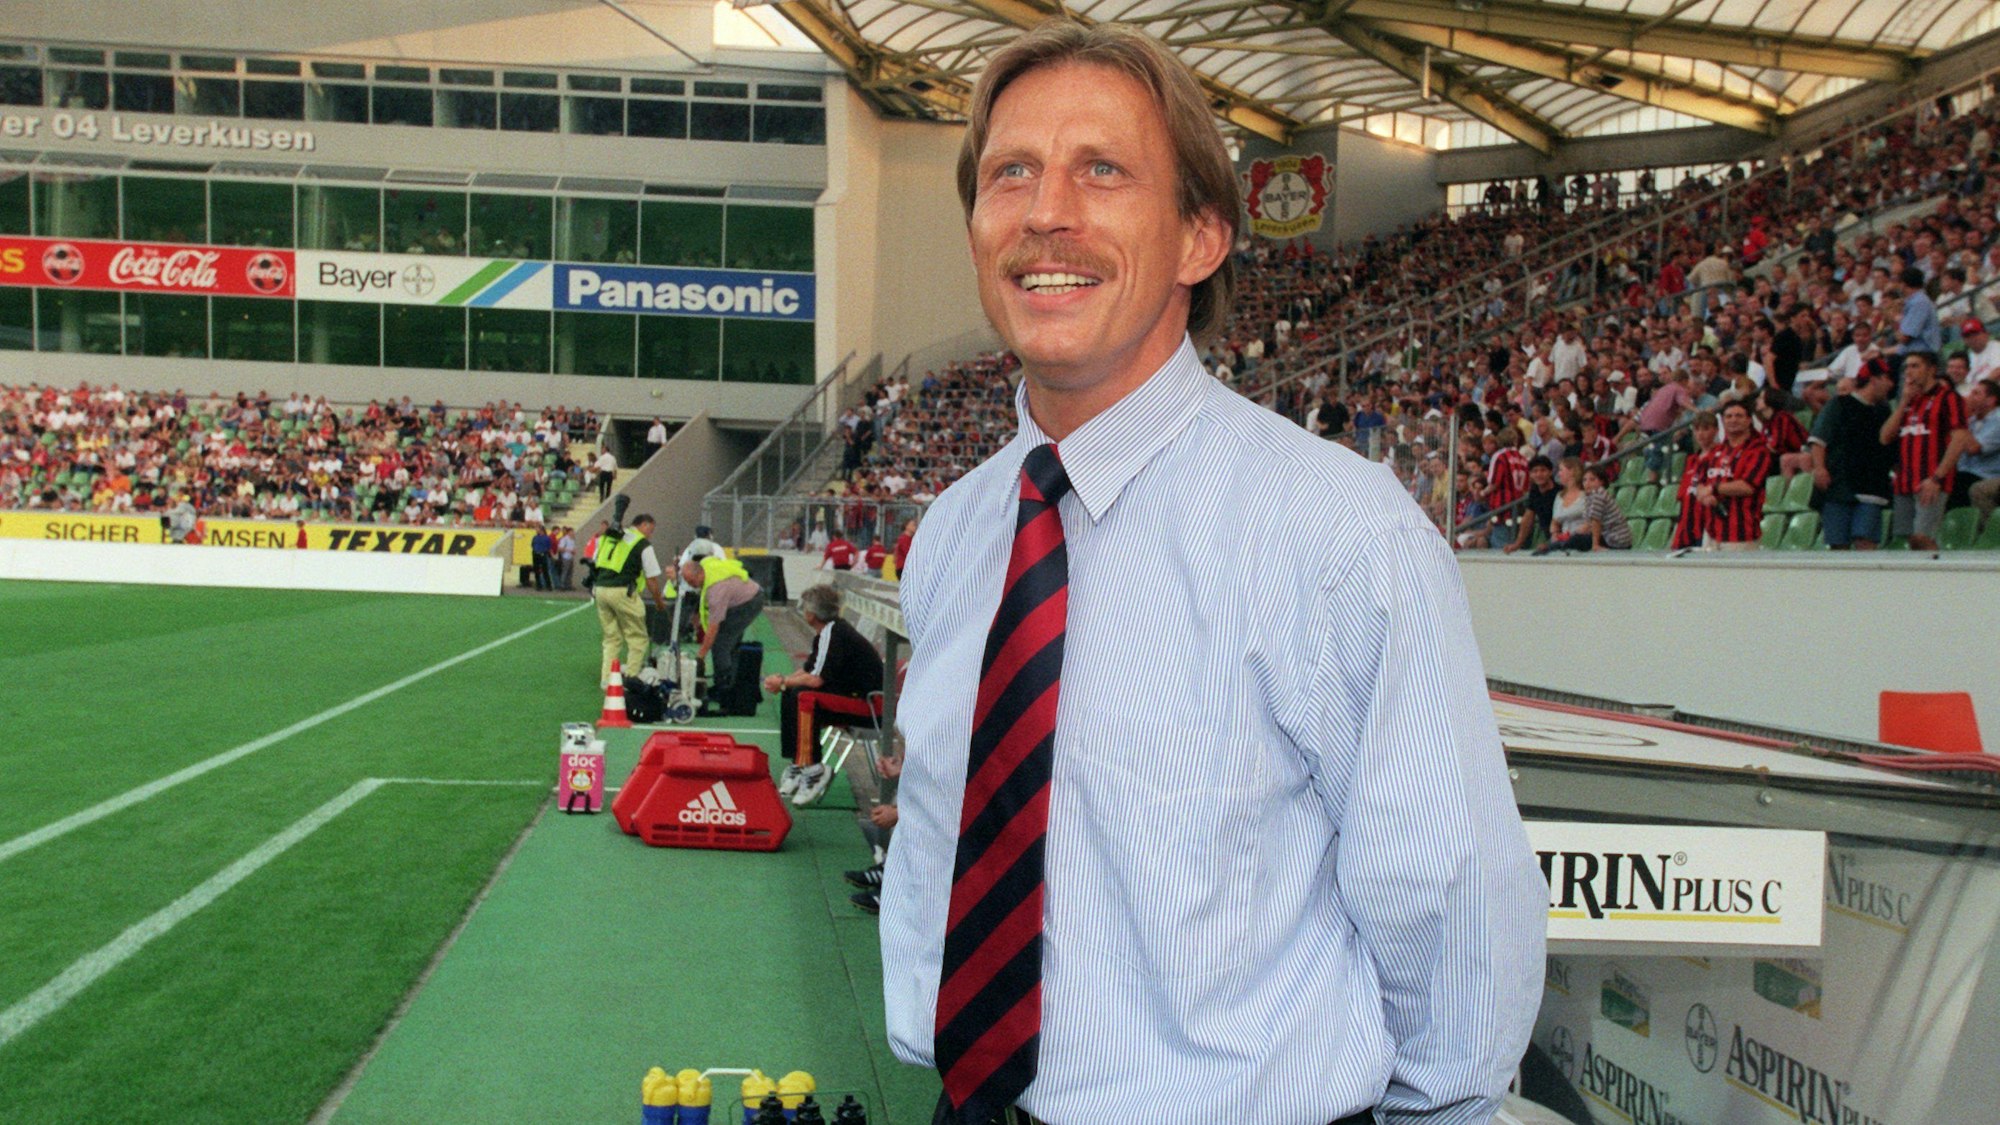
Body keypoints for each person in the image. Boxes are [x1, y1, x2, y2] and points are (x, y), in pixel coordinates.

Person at [879, 23, 1543, 1125]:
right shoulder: (954, 532)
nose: (1047, 211)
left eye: (1102, 169)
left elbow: (1449, 909)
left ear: (1199, 236)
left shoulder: (1336, 537)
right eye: (1011, 173)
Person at [765, 584, 885, 807]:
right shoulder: (828, 633)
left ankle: (813, 768)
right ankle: (800, 763)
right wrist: (784, 683)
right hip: (853, 698)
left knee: (805, 697)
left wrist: (782, 681)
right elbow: (809, 671)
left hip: (870, 706)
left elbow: (815, 680)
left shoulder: (833, 632)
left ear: (811, 613)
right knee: (792, 691)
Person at [1882, 351, 1970, 550]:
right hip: (1904, 481)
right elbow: (1885, 437)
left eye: (1915, 366)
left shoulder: (1949, 398)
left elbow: (1960, 439)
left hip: (1930, 481)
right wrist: (1903, 401)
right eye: (1907, 367)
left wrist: (1937, 478)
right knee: (1904, 541)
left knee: (1922, 538)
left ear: (1931, 369)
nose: (1909, 372)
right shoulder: (1910, 401)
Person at [1810, 358, 1897, 550]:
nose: (1891, 384)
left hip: (1872, 488)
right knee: (1838, 544)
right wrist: (1819, 468)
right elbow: (1818, 440)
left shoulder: (1884, 411)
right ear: (1874, 380)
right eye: (1887, 378)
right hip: (1839, 486)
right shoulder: (1839, 404)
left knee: (1866, 542)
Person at [681, 552, 766, 713]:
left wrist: (701, 655)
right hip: (743, 595)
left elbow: (714, 627)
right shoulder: (706, 564)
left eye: (691, 581)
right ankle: (733, 682)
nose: (690, 585)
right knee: (730, 643)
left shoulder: (716, 591)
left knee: (721, 643)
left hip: (750, 602)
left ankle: (724, 688)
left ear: (699, 574)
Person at [592, 514, 668, 686]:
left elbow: (596, 561)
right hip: (622, 591)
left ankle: (606, 680)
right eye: (651, 530)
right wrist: (659, 602)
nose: (651, 534)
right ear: (644, 524)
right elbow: (651, 579)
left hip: (601, 589)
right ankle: (631, 679)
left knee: (611, 638)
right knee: (638, 637)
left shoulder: (610, 537)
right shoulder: (642, 544)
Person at [1695, 399, 1774, 549]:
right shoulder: (1716, 451)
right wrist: (1704, 496)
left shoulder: (1758, 451)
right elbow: (1699, 484)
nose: (1733, 420)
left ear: (1749, 420)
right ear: (1723, 421)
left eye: (1739, 416)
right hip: (1711, 533)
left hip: (1742, 534)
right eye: (1729, 416)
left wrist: (1713, 489)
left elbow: (1747, 486)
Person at [1671, 410, 1721, 550]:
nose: (1700, 434)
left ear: (1716, 430)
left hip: (1709, 522)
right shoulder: (1692, 460)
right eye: (1697, 429)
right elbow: (1683, 495)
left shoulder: (1721, 455)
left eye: (1706, 429)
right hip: (1688, 520)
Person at [1959, 378, 2000, 534]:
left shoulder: (1998, 420)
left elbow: (1973, 448)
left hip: (1987, 475)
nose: (1970, 397)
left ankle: (1990, 534)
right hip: (1967, 472)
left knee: (1965, 485)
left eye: (1976, 393)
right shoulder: (1973, 420)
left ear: (1990, 400)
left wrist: (1960, 419)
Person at [1532, 456, 1593, 553]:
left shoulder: (1586, 495)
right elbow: (1555, 522)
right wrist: (1555, 533)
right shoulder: (1559, 496)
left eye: (1561, 470)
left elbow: (1594, 520)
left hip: (1582, 539)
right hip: (1563, 539)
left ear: (1572, 471)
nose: (1558, 474)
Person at [1501, 454, 1558, 554]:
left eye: (1543, 470)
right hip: (1548, 537)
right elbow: (1528, 519)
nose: (1539, 474)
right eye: (1535, 471)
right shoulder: (1534, 492)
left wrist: (1551, 543)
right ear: (1530, 474)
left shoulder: (1559, 492)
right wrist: (1517, 544)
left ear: (1550, 472)